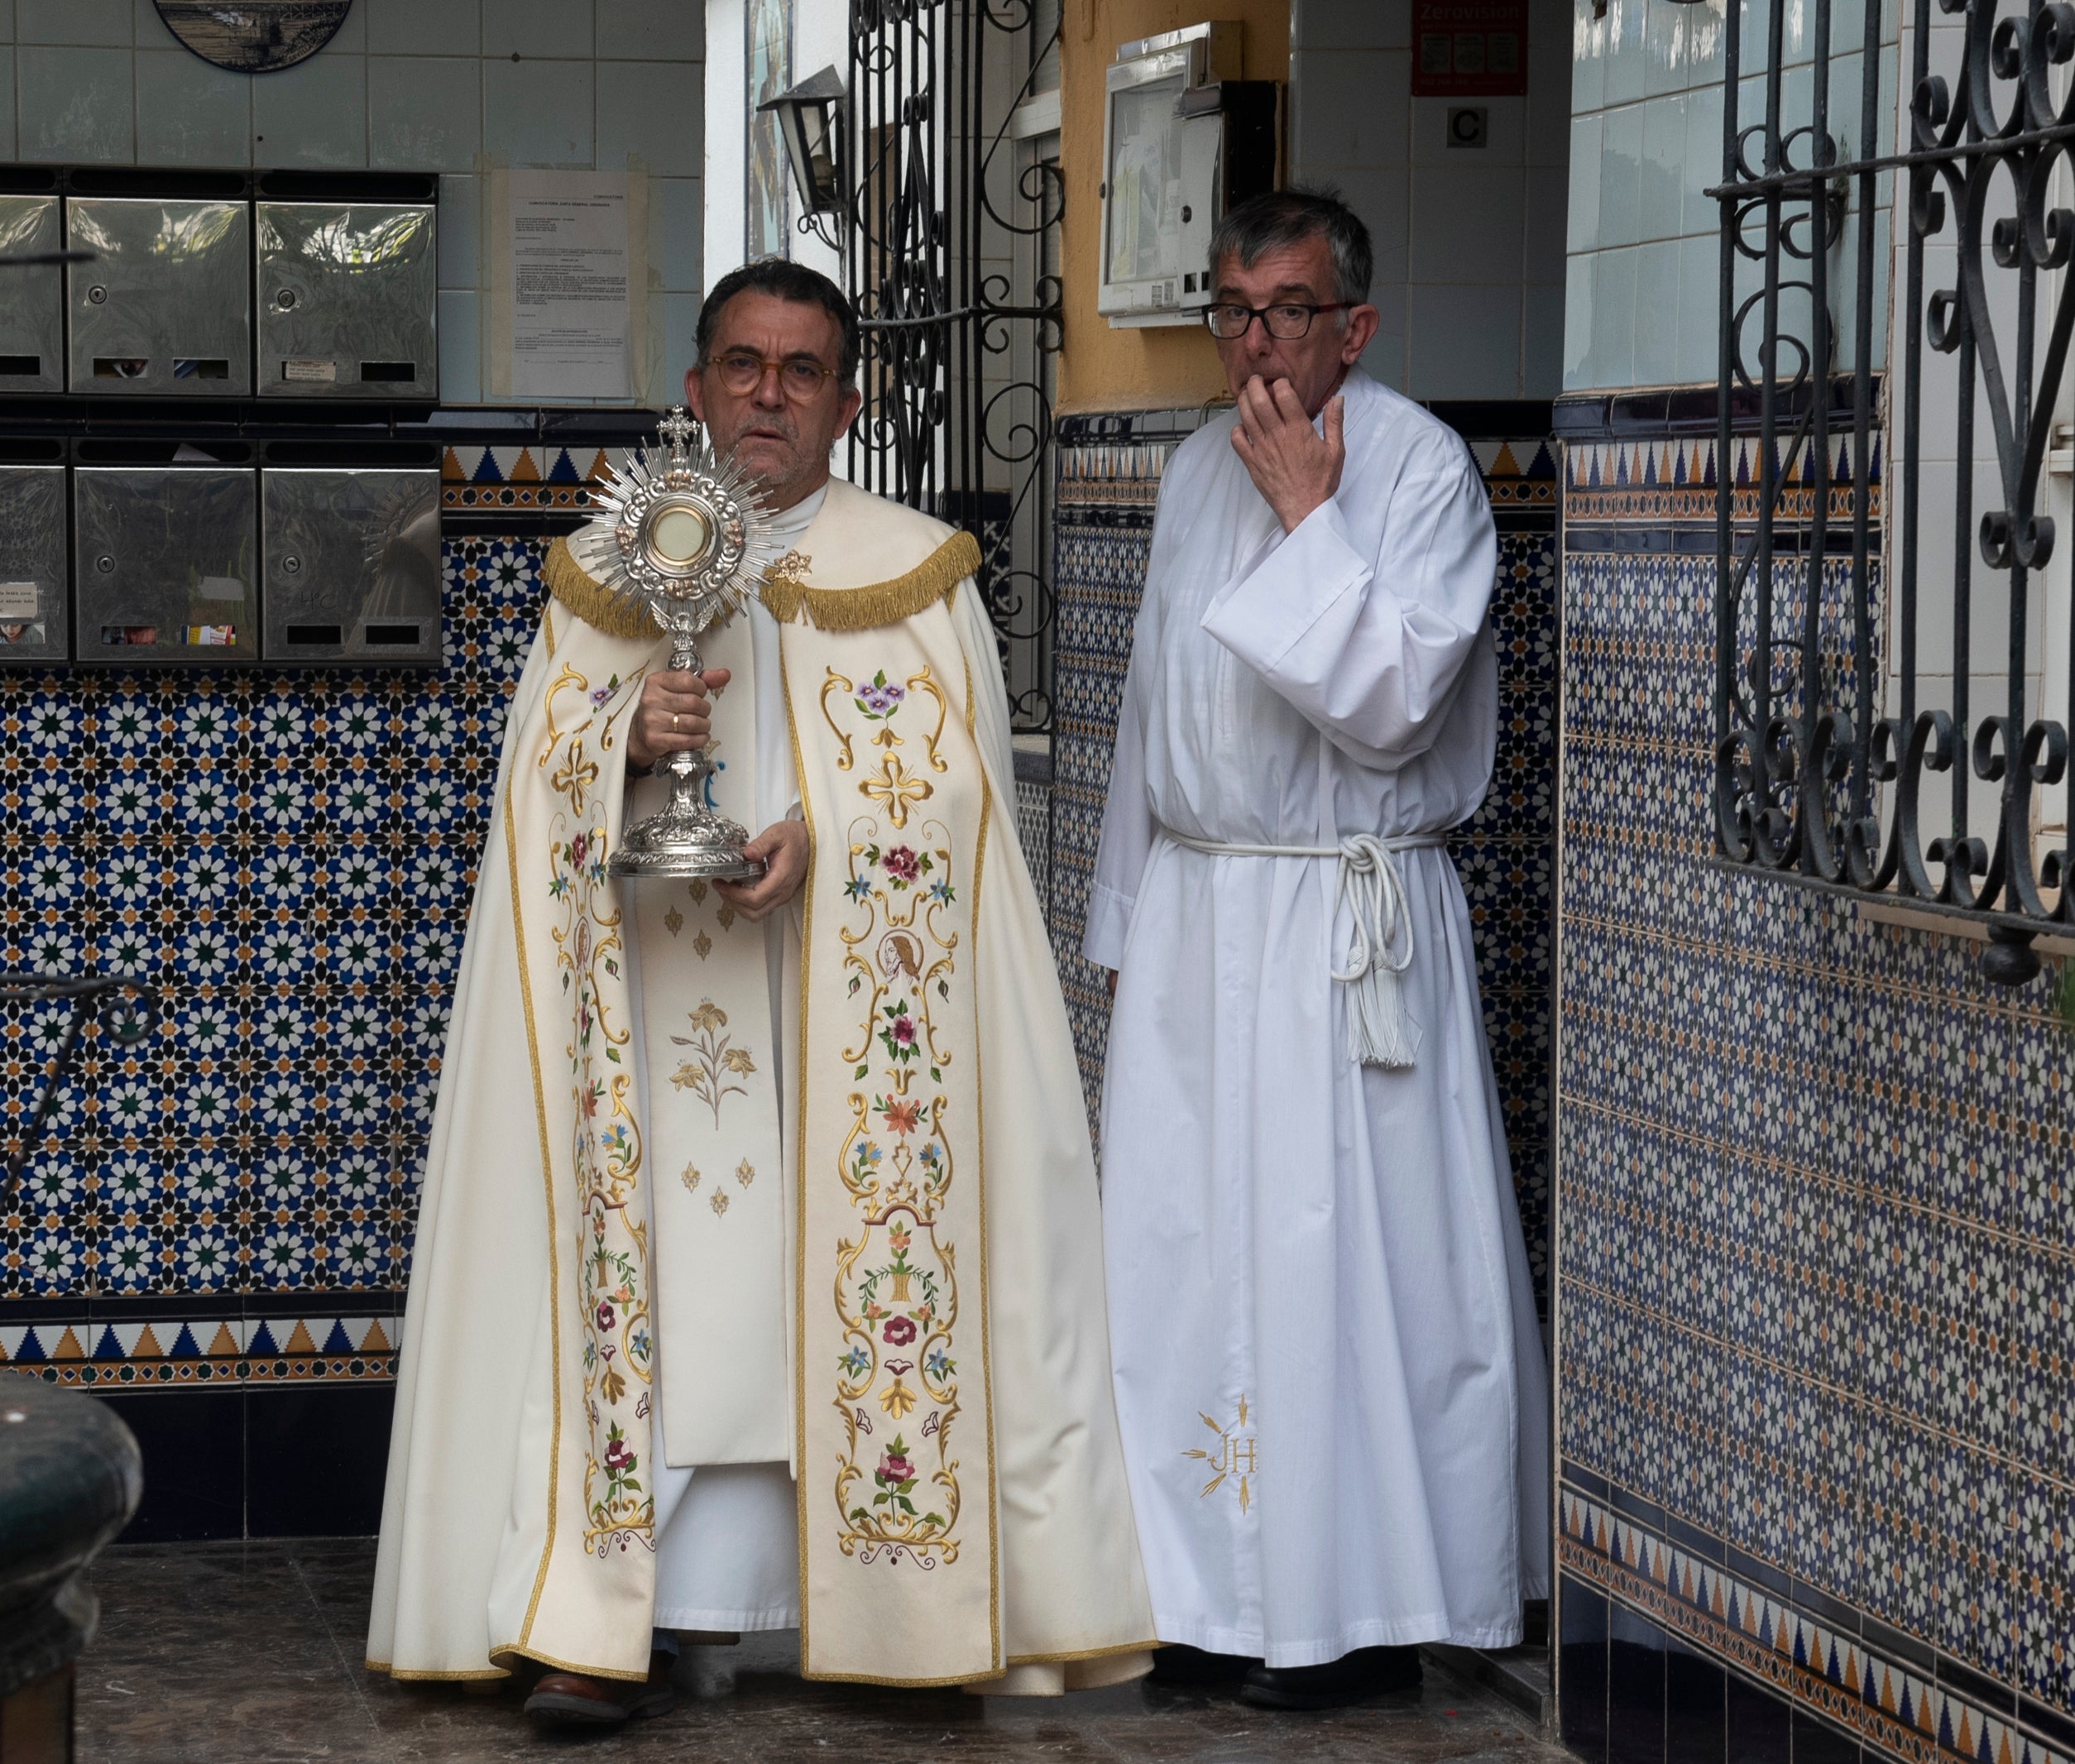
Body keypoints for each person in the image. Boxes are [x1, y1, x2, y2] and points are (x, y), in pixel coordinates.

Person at [368, 258, 1153, 1726]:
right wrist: (620, 740)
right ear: (694, 387)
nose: (768, 396)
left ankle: (901, 1615)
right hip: (661, 1025)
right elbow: (531, 798)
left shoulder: (919, 572)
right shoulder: (607, 577)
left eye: (801, 372)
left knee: (844, 1295)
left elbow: (969, 821)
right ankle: (621, 1619)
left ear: (848, 405)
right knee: (666, 1292)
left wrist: (836, 842)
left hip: (856, 1042)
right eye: (742, 365)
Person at [1085, 188, 1550, 1711]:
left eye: (1288, 311)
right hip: (1208, 910)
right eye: (1232, 311)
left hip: (1346, 931)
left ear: (1355, 323)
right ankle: (1203, 1596)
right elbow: (1156, 715)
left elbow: (1396, 702)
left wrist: (1307, 515)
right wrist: (1126, 921)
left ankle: (1354, 1609)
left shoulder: (1419, 472)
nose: (1257, 345)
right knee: (1182, 1260)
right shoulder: (1184, 472)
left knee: (1343, 1260)